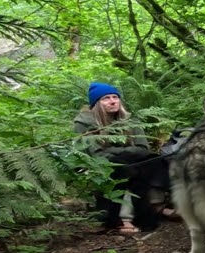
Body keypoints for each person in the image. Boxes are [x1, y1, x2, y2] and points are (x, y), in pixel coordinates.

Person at [72, 82, 175, 234]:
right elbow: (97, 154)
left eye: (115, 97)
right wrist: (127, 152)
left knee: (154, 161)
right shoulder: (85, 122)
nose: (113, 101)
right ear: (97, 103)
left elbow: (143, 149)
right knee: (122, 168)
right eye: (106, 98)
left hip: (131, 160)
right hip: (97, 165)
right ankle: (118, 219)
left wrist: (117, 150)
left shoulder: (130, 120)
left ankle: (154, 209)